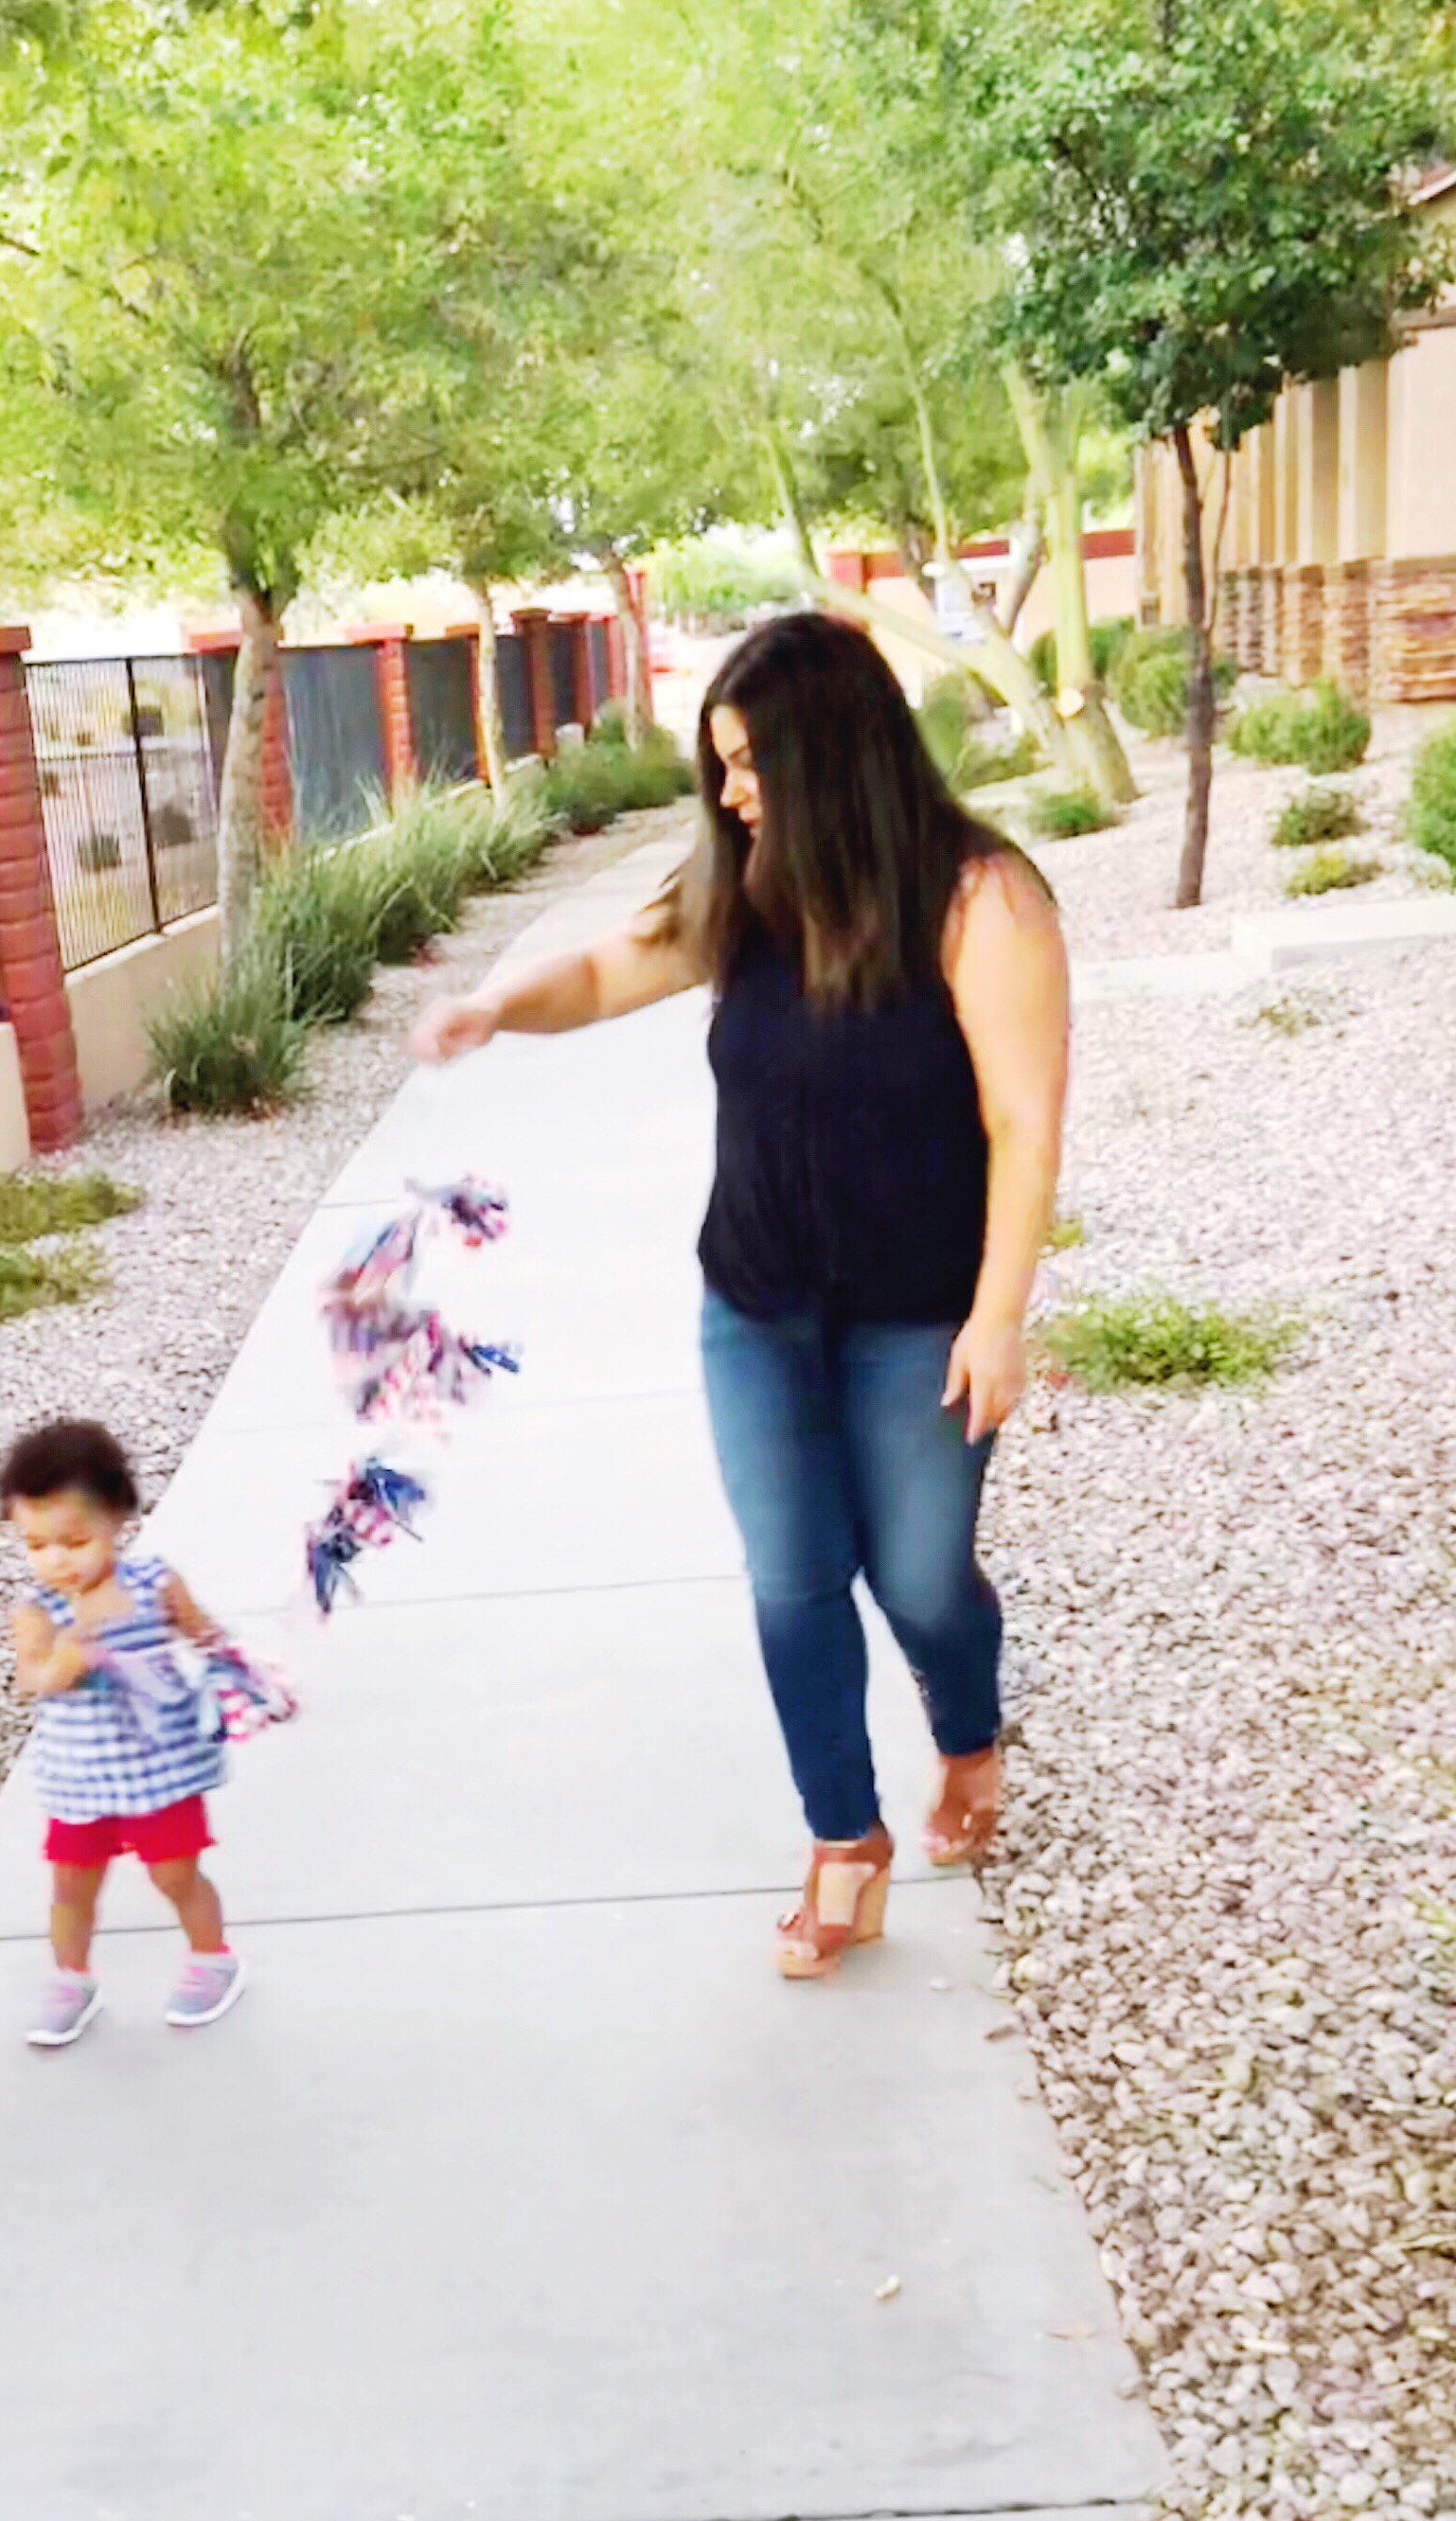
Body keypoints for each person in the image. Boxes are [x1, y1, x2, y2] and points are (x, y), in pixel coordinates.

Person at [411, 611, 1069, 1978]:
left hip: (919, 1317)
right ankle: (846, 1840)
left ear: (838, 749)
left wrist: (1000, 1313)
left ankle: (968, 1728)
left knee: (922, 1580)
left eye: (753, 762)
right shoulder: (746, 884)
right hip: (756, 1306)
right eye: (720, 766)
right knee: (794, 1580)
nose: (732, 792)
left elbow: (1022, 1117)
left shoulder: (979, 897)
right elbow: (604, 972)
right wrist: (494, 1009)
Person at [0, 1417, 246, 2047]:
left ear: (119, 1520)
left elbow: (202, 1632)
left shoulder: (154, 1582)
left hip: (159, 1770)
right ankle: (71, 1979)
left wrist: (229, 1661)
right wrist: (75, 1647)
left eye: (74, 1540)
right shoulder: (38, 1611)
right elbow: (33, 1678)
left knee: (175, 1875)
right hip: (81, 1779)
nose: (55, 1559)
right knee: (71, 1886)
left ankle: (213, 1959)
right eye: (35, 1544)